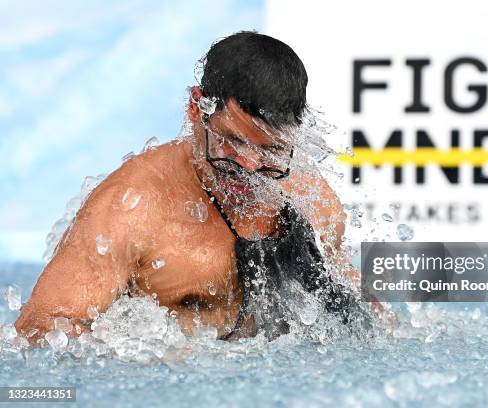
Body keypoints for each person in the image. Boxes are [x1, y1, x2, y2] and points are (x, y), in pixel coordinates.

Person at [16, 31, 374, 343]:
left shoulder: (311, 199)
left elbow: (363, 313)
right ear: (195, 107)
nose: (249, 165)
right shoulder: (132, 207)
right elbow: (40, 329)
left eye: (270, 149)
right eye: (231, 141)